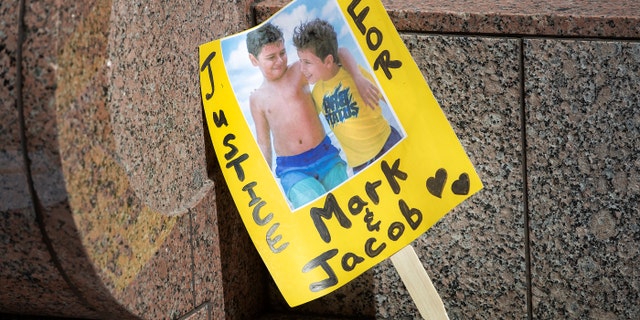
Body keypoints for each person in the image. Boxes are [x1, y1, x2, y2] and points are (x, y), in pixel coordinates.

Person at [246, 22, 376, 208]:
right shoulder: (256, 99)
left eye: (282, 53)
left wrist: (357, 76)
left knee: (348, 206)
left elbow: (340, 53)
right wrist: (264, 183)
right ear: (254, 60)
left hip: (325, 156)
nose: (280, 61)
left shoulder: (299, 70)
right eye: (271, 57)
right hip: (292, 169)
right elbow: (264, 142)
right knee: (315, 211)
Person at [292, 18, 402, 174]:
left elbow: (391, 100)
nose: (302, 68)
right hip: (360, 166)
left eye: (307, 62)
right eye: (300, 61)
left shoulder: (353, 74)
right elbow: (304, 120)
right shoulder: (316, 93)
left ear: (328, 61)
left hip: (387, 143)